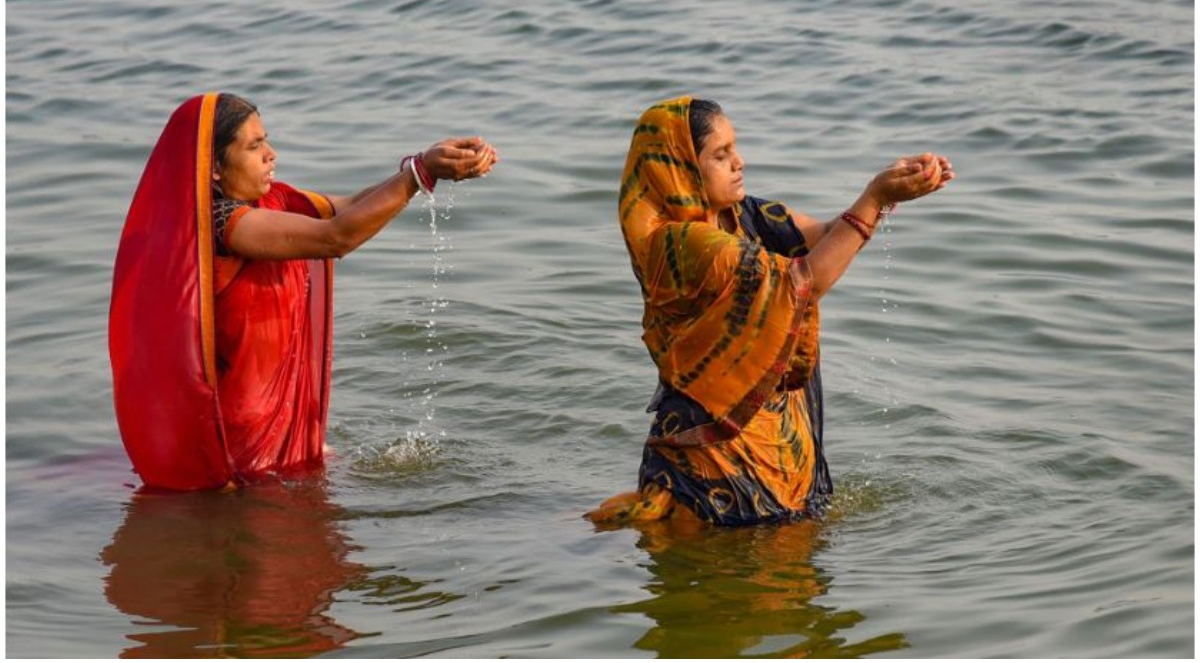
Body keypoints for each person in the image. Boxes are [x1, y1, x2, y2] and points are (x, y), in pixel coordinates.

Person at [586, 97, 952, 526]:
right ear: (679, 168)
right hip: (714, 460)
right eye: (720, 155)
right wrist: (873, 199)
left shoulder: (742, 215)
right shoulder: (683, 244)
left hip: (774, 444)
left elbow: (824, 236)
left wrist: (891, 193)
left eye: (734, 148)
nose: (738, 162)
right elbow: (805, 283)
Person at [109, 93, 497, 491]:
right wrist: (418, 175)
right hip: (243, 445)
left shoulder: (269, 203)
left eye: (266, 140)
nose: (271, 155)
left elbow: (344, 209)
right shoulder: (224, 226)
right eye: (254, 146)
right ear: (214, 169)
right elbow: (336, 238)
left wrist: (420, 165)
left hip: (278, 428)